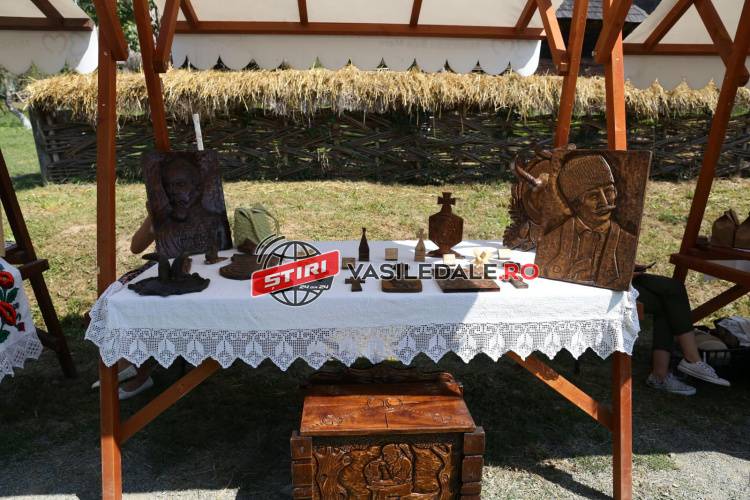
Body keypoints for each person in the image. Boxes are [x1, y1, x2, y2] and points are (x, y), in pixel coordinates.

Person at [537, 155, 636, 289]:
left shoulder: (628, 241)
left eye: (609, 191)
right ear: (575, 204)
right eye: (593, 196)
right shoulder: (550, 241)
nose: (605, 202)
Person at [91, 213, 156, 399]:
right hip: (159, 266)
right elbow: (136, 247)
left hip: (193, 268)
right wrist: (153, 215)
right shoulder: (162, 203)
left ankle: (139, 372)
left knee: (145, 303)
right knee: (116, 298)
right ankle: (125, 362)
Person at [633, 271, 730, 395]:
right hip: (614, 280)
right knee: (674, 290)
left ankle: (660, 375)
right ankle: (691, 360)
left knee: (671, 297)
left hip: (622, 275)